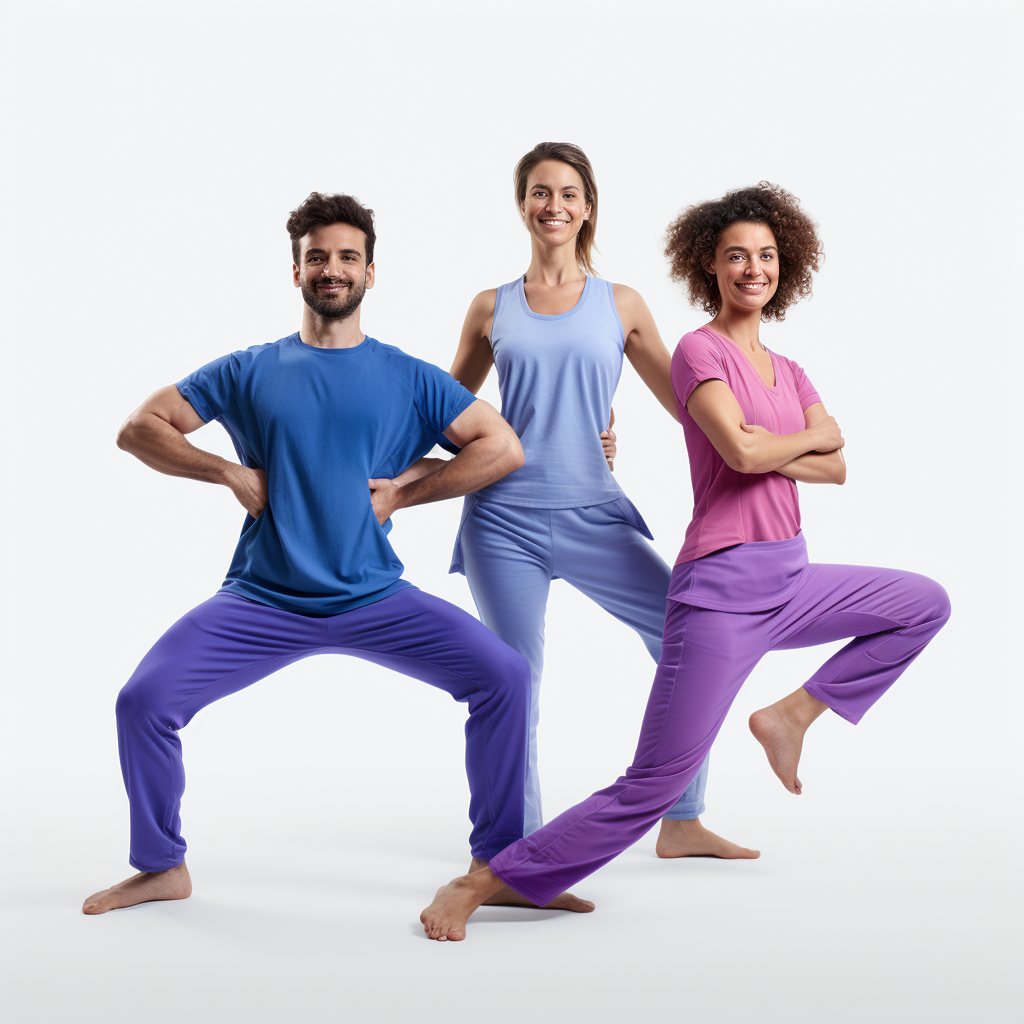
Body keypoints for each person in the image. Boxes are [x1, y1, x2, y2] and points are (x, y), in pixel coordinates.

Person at [420, 182, 951, 940]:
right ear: (712, 266)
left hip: (791, 576)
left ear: (786, 266)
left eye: (766, 256)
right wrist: (787, 443)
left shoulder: (790, 369)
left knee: (922, 603)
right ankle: (488, 880)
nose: (752, 268)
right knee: (651, 780)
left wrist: (779, 447)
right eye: (737, 255)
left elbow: (838, 466)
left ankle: (791, 714)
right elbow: (737, 450)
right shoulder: (700, 349)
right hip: (722, 591)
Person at [83, 192, 588, 917]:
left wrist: (406, 495)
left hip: (374, 597)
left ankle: (501, 864)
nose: (332, 268)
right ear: (296, 272)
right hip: (263, 598)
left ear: (370, 274)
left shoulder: (408, 376)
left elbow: (501, 445)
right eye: (317, 257)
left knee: (504, 676)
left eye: (347, 257)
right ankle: (162, 865)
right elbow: (140, 429)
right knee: (144, 703)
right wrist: (224, 470)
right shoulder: (250, 368)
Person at [437, 141, 756, 859]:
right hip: (502, 521)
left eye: (569, 194)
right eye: (541, 192)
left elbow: (691, 406)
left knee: (692, 638)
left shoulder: (623, 304)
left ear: (588, 207)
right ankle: (511, 852)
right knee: (512, 681)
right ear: (523, 204)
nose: (555, 206)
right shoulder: (492, 307)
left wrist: (759, 451)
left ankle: (682, 817)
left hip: (594, 514)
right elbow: (445, 414)